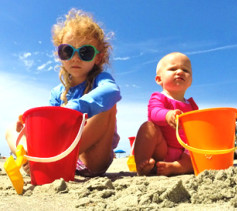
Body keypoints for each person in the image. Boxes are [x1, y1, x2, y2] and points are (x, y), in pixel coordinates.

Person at [5, 8, 121, 177]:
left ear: (98, 58)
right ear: (59, 55)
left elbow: (112, 91)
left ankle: (47, 160)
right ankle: (34, 159)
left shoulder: (101, 80)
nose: (75, 58)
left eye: (85, 52)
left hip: (92, 158)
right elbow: (49, 129)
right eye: (67, 51)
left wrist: (75, 108)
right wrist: (29, 127)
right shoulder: (57, 93)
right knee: (11, 129)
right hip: (61, 154)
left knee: (107, 106)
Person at [134, 52, 198, 176]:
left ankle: (178, 167)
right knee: (147, 127)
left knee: (199, 142)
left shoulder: (192, 105)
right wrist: (167, 115)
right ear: (159, 79)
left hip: (184, 152)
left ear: (190, 81)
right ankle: (143, 165)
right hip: (161, 148)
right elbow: (154, 112)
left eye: (185, 70)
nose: (179, 72)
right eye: (173, 69)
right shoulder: (159, 97)